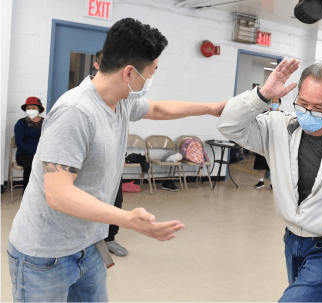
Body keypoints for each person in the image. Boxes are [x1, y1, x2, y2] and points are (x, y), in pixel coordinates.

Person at [7, 18, 227, 302]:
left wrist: (211, 108)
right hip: (45, 256)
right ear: (129, 73)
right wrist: (128, 220)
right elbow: (58, 194)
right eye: (152, 72)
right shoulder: (75, 112)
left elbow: (159, 109)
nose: (151, 80)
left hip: (89, 246)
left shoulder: (120, 100)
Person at [217, 59, 322, 303]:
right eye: (303, 103)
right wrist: (263, 95)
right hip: (292, 241)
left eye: (318, 107)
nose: (308, 112)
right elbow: (228, 125)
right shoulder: (277, 127)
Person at [94, 48, 128, 257]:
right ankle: (91, 242)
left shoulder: (122, 102)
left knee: (116, 202)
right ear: (97, 66)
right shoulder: (81, 104)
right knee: (93, 204)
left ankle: (110, 239)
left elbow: (157, 109)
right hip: (93, 167)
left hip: (114, 167)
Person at [14, 97, 45, 195]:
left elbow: (49, 139)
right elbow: (19, 142)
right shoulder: (21, 123)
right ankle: (27, 193)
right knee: (31, 164)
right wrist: (33, 153)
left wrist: (40, 153)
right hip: (24, 154)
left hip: (41, 153)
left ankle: (44, 192)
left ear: (39, 109)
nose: (30, 110)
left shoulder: (46, 122)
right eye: (28, 108)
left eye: (33, 107)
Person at [253, 97, 281, 189]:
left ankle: (273, 183)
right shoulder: (264, 114)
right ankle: (261, 181)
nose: (274, 104)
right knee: (261, 161)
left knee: (273, 163)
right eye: (272, 102)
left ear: (279, 104)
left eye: (276, 102)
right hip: (263, 141)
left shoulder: (282, 115)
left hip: (275, 142)